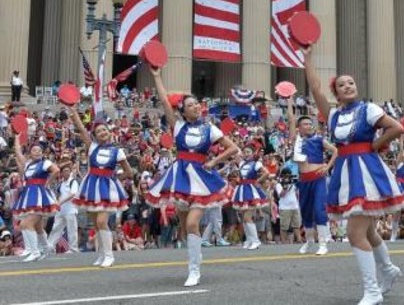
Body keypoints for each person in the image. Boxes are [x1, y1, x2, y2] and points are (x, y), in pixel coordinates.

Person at [304, 43, 404, 305]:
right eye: (342, 85)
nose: (348, 86)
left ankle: (372, 291)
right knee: (368, 232)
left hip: (366, 170)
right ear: (336, 92)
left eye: (351, 83)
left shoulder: (368, 109)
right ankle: (389, 270)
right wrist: (308, 58)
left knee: (354, 232)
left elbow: (395, 128)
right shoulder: (334, 114)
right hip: (345, 171)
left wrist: (373, 146)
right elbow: (315, 89)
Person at [145, 65, 238, 287]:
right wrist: (157, 76)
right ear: (182, 111)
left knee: (193, 223)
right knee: (185, 228)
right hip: (180, 178)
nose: (195, 106)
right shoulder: (177, 126)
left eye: (196, 103)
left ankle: (194, 270)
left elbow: (233, 148)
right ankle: (195, 254)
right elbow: (165, 102)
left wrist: (214, 161)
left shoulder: (210, 128)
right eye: (190, 105)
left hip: (202, 178)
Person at [69, 105, 133, 267]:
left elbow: (129, 172)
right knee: (95, 223)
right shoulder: (92, 147)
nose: (103, 133)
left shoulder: (117, 151)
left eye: (104, 130)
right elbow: (82, 129)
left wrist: (113, 179)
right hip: (91, 187)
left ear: (109, 131)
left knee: (103, 221)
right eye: (99, 132)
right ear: (95, 136)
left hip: (107, 188)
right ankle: (101, 254)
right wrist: (73, 110)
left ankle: (110, 255)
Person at [287, 99, 337, 255]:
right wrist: (289, 101)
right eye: (305, 124)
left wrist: (327, 167)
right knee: (306, 211)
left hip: (318, 178)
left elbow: (336, 151)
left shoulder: (319, 139)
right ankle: (309, 241)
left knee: (319, 209)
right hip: (304, 180)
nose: (308, 126)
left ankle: (323, 243)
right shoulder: (297, 140)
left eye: (310, 124)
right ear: (299, 128)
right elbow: (290, 118)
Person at [10, 134, 60, 262]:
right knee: (37, 227)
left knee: (26, 224)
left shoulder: (45, 163)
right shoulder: (27, 165)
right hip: (29, 196)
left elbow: (56, 170)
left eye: (39, 150)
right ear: (30, 153)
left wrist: (47, 183)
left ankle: (35, 252)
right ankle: (46, 247)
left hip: (39, 196)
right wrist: (17, 138)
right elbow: (18, 153)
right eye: (34, 150)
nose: (37, 152)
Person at [231, 144, 270, 250]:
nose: (246, 154)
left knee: (248, 217)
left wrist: (258, 181)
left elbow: (266, 173)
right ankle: (249, 240)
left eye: (248, 152)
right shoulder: (241, 163)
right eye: (245, 152)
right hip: (242, 190)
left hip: (251, 191)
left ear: (253, 153)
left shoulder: (256, 163)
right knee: (244, 218)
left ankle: (256, 241)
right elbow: (235, 154)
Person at [47, 163, 80, 254]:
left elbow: (73, 194)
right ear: (61, 173)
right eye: (64, 171)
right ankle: (50, 246)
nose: (66, 173)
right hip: (61, 210)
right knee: (56, 228)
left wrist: (61, 202)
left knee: (71, 229)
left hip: (71, 209)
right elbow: (59, 195)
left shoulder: (73, 182)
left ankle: (73, 248)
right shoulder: (61, 183)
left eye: (68, 171)